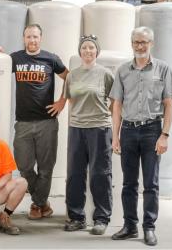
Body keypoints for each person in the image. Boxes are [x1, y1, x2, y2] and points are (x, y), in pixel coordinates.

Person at [109, 27, 172, 246]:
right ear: (131, 44)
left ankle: (149, 227)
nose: (140, 45)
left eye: (144, 42)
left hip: (152, 131)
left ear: (152, 43)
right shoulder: (122, 70)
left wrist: (164, 135)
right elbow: (117, 105)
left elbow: (169, 104)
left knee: (151, 183)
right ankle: (130, 226)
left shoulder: (163, 69)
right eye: (136, 42)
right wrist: (116, 136)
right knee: (129, 183)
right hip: (128, 131)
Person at [7, 24, 69, 219]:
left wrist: (61, 102)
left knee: (45, 167)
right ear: (23, 38)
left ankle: (37, 204)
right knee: (24, 166)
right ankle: (43, 202)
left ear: (40, 38)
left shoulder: (51, 59)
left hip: (47, 122)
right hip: (23, 122)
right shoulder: (15, 58)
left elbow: (70, 78)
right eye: (28, 37)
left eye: (35, 37)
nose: (32, 40)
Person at [63, 35, 114, 235]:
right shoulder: (72, 75)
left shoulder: (105, 74)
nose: (87, 51)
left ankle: (101, 218)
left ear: (96, 51)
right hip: (76, 128)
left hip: (99, 129)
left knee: (99, 174)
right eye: (84, 47)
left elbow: (116, 101)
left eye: (91, 47)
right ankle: (76, 217)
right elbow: (70, 99)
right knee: (75, 175)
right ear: (80, 51)